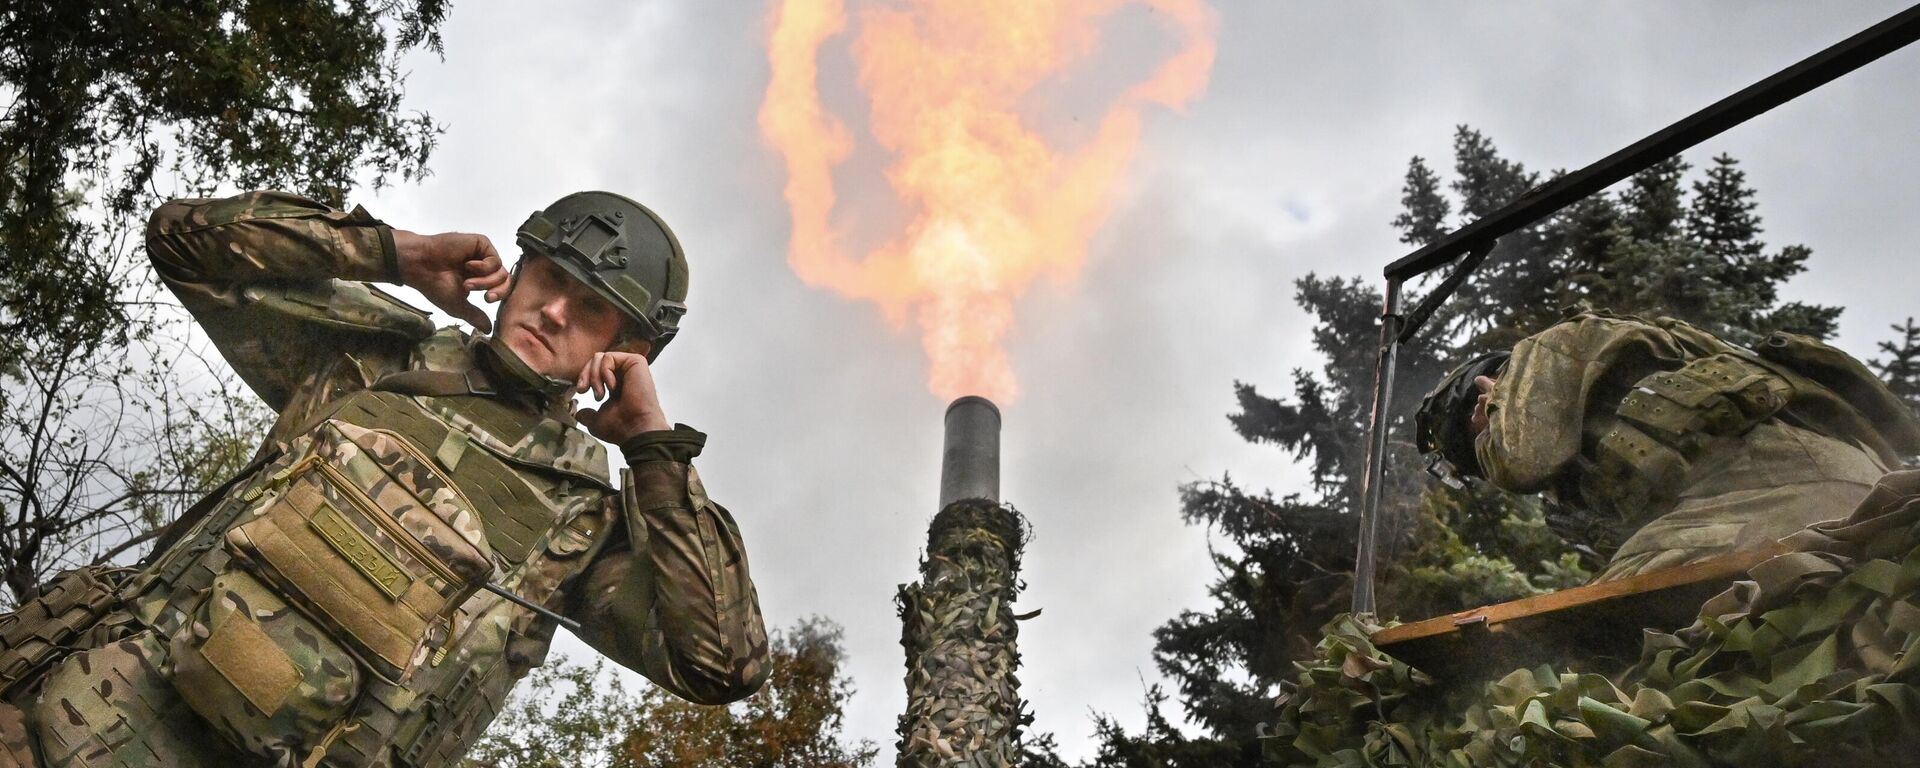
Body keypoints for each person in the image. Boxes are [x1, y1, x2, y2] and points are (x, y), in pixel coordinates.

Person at [0, 190, 769, 767]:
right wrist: (395, 253)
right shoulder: (382, 355)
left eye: (593, 309)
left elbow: (721, 665)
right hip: (60, 722)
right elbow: (183, 242)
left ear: (628, 346)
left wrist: (655, 453)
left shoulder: (584, 520)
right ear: (518, 269)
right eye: (548, 278)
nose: (556, 310)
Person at [1416, 308, 1920, 581]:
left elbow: (1520, 461)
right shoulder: (1585, 432)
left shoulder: (1544, 353)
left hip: (1781, 488)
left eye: (1476, 440)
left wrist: (1494, 421)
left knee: (1617, 603)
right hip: (1845, 481)